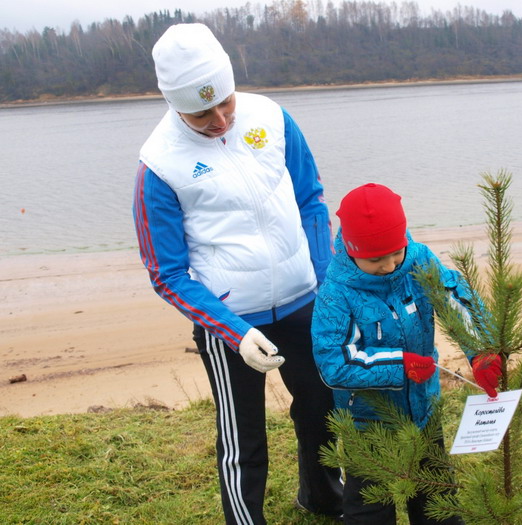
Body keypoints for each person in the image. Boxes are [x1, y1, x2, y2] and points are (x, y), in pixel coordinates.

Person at [132, 23, 343, 524]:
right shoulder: (158, 165)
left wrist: (326, 281)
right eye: (202, 112)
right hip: (230, 322)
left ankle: (321, 498)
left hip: (303, 300)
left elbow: (310, 201)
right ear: (173, 103)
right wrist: (235, 331)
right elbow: (167, 273)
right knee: (243, 436)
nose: (220, 119)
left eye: (225, 102)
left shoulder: (271, 117)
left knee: (321, 412)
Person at [311, 183, 502, 524]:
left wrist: (481, 350)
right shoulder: (336, 293)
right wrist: (400, 366)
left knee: (437, 498)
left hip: (424, 407)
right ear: (352, 252)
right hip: (368, 423)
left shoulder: (418, 260)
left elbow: (454, 299)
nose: (388, 265)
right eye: (375, 259)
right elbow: (334, 364)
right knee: (370, 507)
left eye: (395, 252)